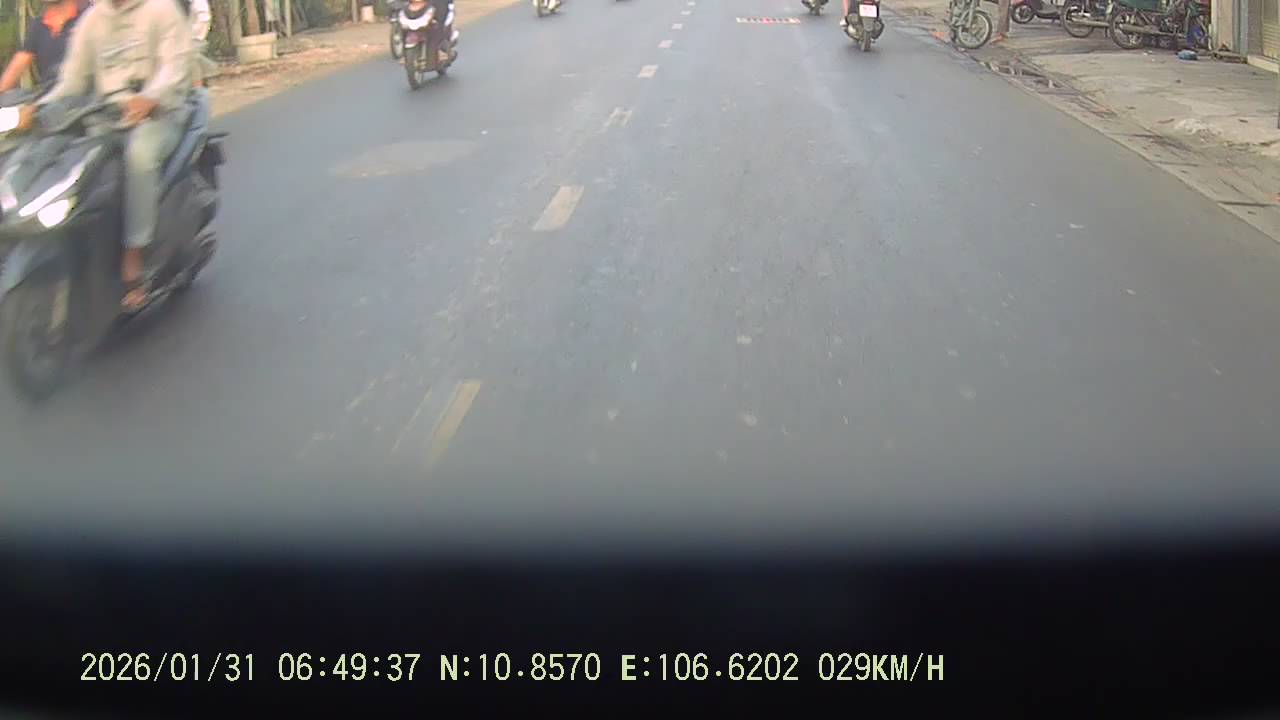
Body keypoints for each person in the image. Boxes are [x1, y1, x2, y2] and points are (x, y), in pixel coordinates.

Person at [16, 0, 192, 310]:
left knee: (139, 155)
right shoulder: (93, 20)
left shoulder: (161, 10)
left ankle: (135, 253)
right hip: (106, 117)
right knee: (69, 158)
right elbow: (72, 80)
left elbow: (174, 69)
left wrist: (150, 97)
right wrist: (38, 108)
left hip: (160, 115)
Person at [0, 0, 85, 93]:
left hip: (83, 97)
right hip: (49, 96)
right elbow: (17, 67)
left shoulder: (88, 20)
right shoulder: (38, 25)